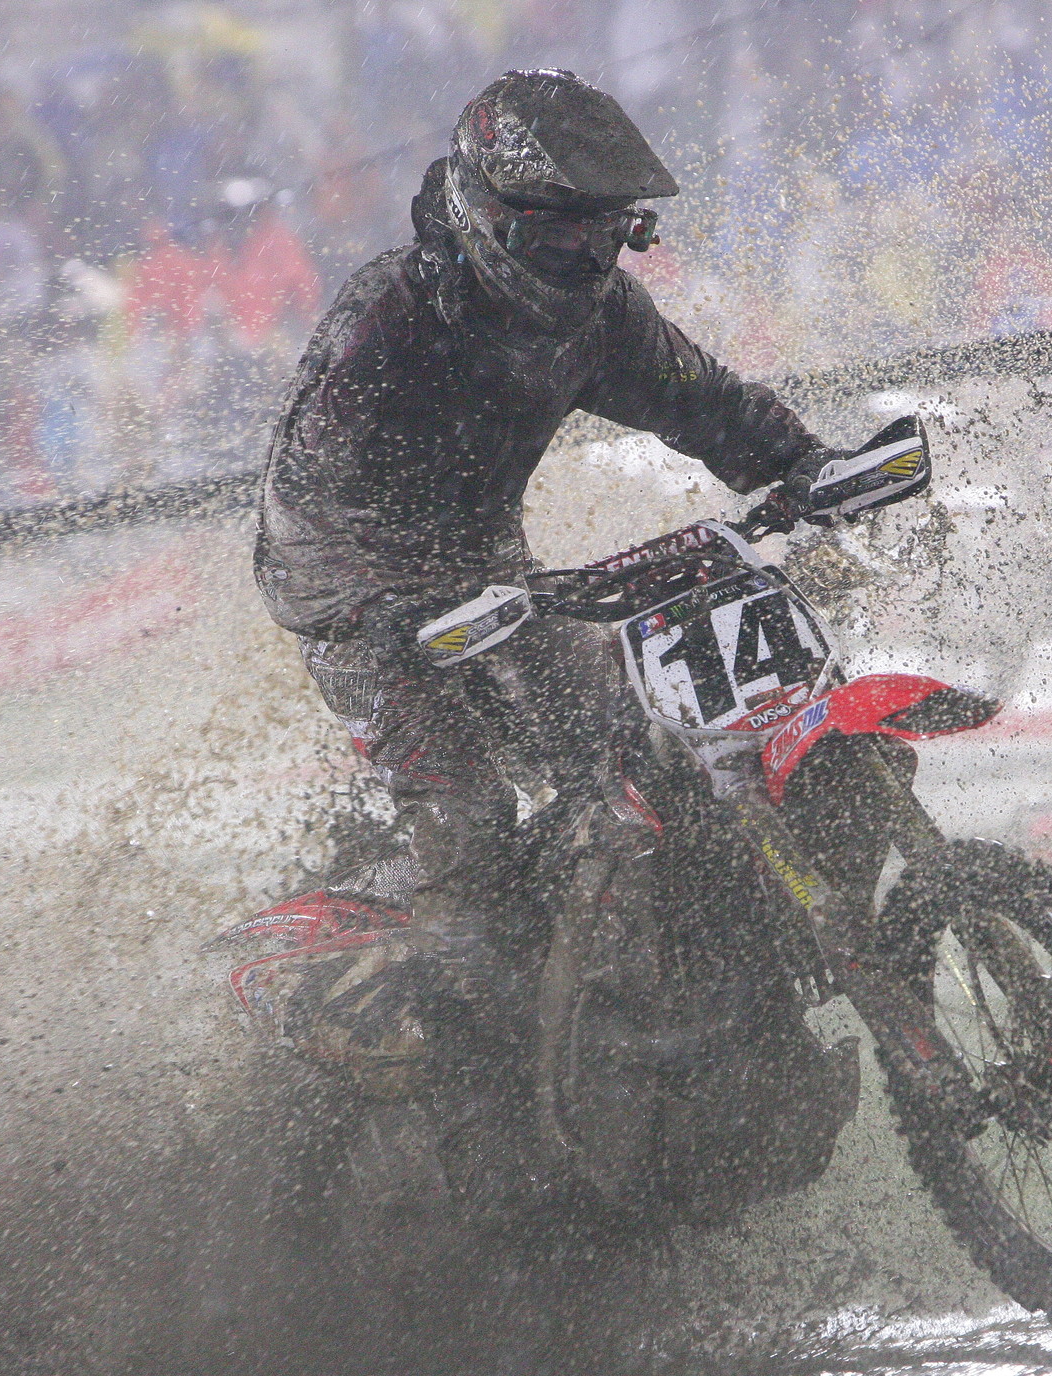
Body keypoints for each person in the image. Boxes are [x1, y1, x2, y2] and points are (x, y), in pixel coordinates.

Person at [255, 68, 851, 975]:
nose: (586, 256)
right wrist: (374, 614)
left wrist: (802, 465)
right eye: (558, 231)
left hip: (491, 578)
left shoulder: (601, 317)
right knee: (469, 820)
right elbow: (298, 501)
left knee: (638, 745)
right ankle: (469, 1056)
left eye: (609, 231)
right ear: (486, 213)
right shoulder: (392, 318)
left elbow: (711, 406)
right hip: (354, 594)